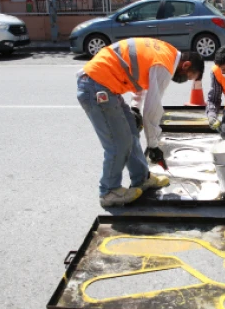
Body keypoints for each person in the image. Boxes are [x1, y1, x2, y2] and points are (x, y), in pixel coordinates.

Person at [77, 37, 205, 207]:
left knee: (131, 130)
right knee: (119, 143)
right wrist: (153, 146)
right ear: (186, 65)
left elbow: (140, 79)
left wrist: (135, 109)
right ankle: (109, 191)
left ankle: (141, 178)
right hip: (96, 87)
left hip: (104, 85)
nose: (184, 81)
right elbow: (152, 111)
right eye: (188, 77)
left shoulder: (167, 52)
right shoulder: (165, 66)